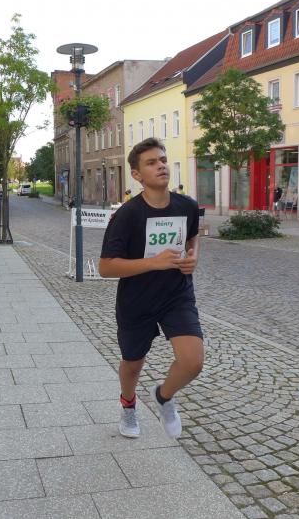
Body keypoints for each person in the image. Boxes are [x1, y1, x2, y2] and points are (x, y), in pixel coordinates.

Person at [99, 138, 203, 440]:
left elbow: (193, 237)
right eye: (151, 163)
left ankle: (164, 396)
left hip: (176, 294)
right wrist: (153, 263)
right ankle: (128, 404)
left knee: (193, 362)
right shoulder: (127, 215)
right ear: (137, 175)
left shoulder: (187, 206)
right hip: (137, 299)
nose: (161, 166)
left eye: (163, 160)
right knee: (133, 363)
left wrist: (193, 256)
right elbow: (106, 267)